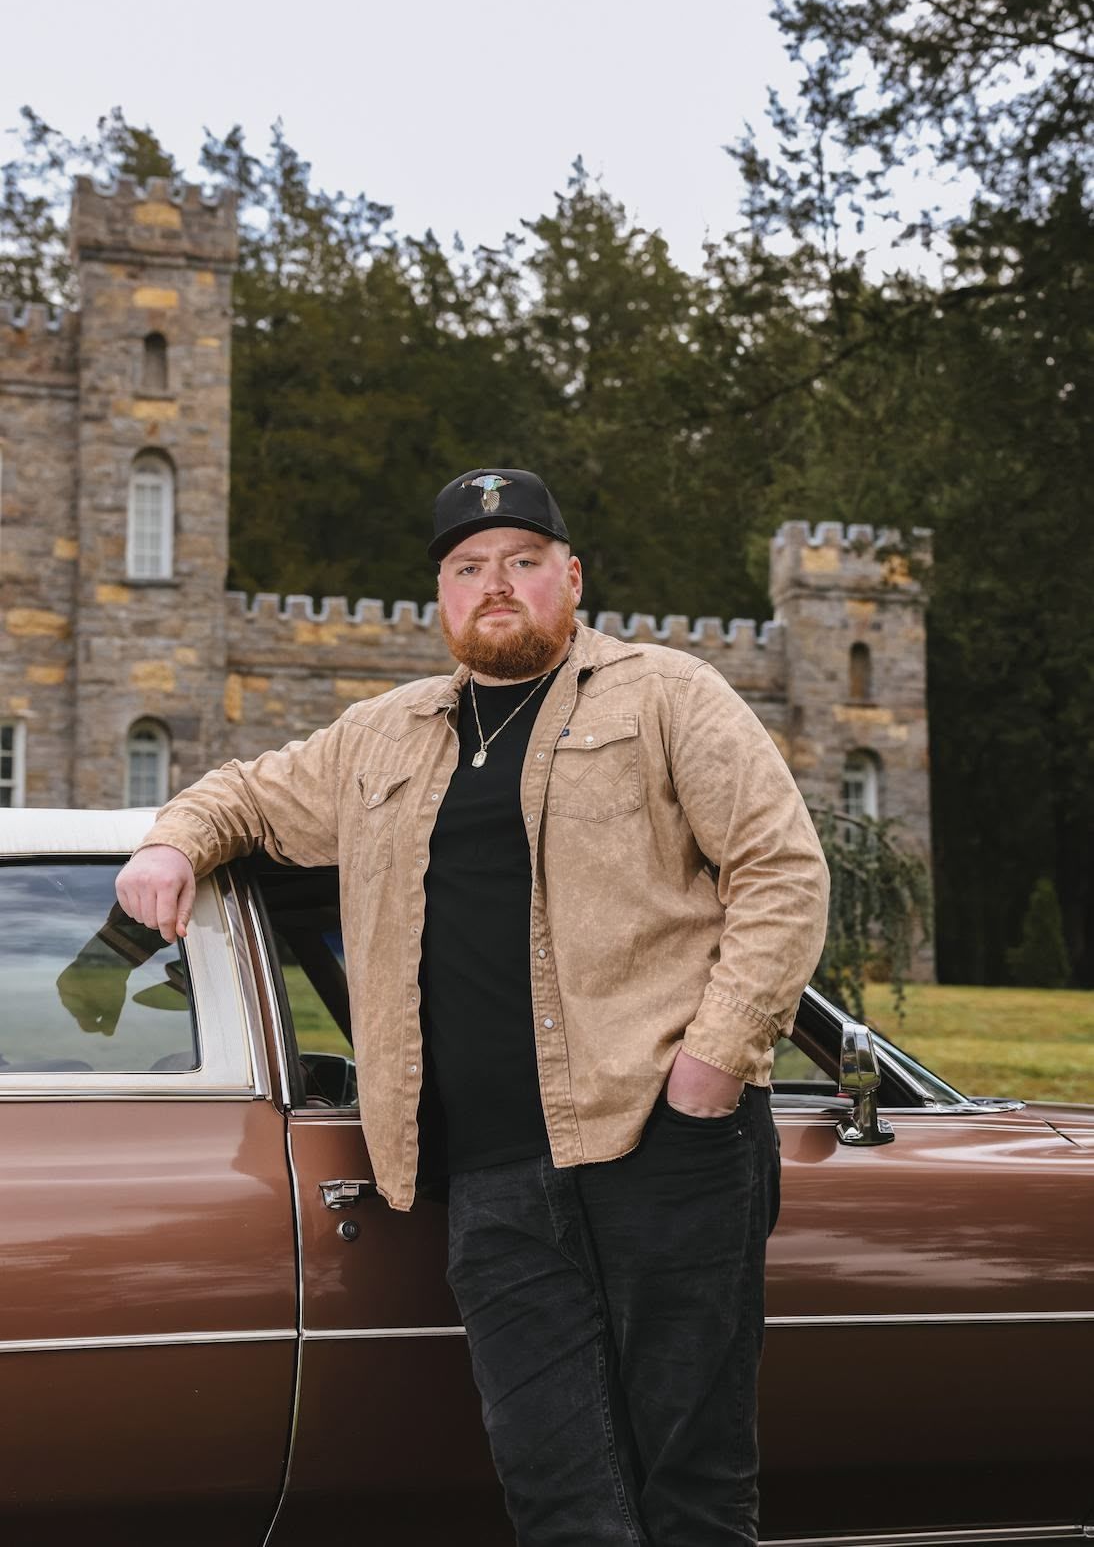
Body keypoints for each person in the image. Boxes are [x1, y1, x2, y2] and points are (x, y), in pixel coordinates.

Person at [116, 467, 829, 1546]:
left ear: (570, 577)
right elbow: (249, 794)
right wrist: (173, 840)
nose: (494, 584)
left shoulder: (668, 695)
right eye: (467, 567)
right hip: (489, 1178)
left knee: (691, 1480)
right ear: (440, 596)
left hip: (666, 1148)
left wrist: (711, 1064)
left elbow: (779, 874)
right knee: (554, 1493)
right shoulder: (381, 736)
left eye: (522, 561)